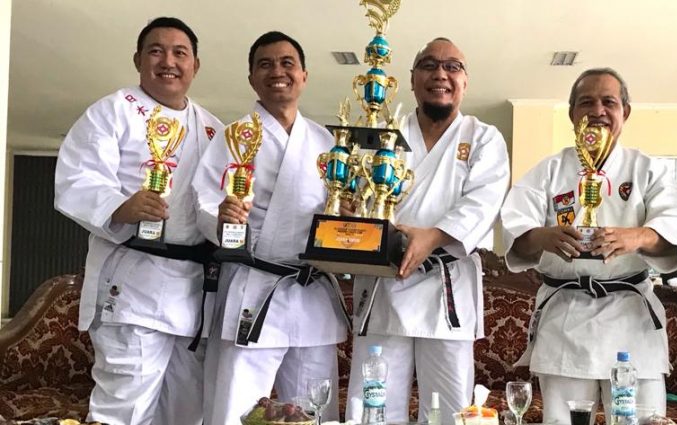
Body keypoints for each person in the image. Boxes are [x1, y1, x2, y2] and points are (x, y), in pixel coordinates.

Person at [500, 68, 677, 423]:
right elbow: (515, 223)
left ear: (625, 111)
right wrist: (543, 236)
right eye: (586, 102)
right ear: (572, 113)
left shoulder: (646, 169)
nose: (598, 110)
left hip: (631, 319)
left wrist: (638, 236)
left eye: (609, 102)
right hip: (566, 317)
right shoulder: (549, 170)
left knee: (642, 420)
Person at [54, 17, 223, 425]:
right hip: (133, 286)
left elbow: (218, 198)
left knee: (187, 411)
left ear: (196, 65)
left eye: (180, 53)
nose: (168, 61)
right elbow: (77, 178)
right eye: (156, 51)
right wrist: (120, 206)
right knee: (125, 409)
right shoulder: (113, 111)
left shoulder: (213, 129)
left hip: (193, 292)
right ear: (138, 60)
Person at [344, 37, 510, 422]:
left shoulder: (483, 138)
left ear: (465, 81)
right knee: (373, 406)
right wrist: (349, 210)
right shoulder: (383, 133)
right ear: (412, 79)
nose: (440, 74)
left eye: (452, 67)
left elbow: (484, 201)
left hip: (445, 287)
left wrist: (432, 237)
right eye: (429, 65)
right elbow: (358, 191)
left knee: (450, 410)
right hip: (386, 284)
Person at [192, 32, 349, 425]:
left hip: (310, 291)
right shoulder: (234, 137)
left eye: (287, 63)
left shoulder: (325, 141)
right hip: (254, 288)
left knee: (314, 411)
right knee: (238, 410)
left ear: (304, 75)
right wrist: (222, 217)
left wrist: (346, 216)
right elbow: (204, 201)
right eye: (265, 64)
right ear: (251, 78)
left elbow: (336, 209)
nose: (277, 71)